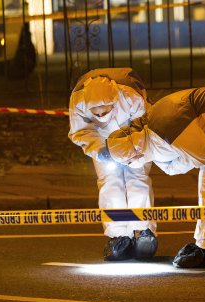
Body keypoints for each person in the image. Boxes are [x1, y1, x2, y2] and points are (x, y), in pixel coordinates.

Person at [106, 87, 205, 268]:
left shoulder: (163, 129)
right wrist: (174, 162)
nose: (135, 162)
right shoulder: (148, 130)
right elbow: (180, 156)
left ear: (133, 148)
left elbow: (203, 155)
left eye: (132, 158)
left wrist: (174, 164)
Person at [68, 68, 158, 261]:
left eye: (106, 111)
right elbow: (80, 132)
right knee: (110, 183)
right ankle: (118, 235)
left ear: (115, 101)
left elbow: (145, 122)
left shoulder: (130, 96)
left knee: (138, 180)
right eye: (97, 113)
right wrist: (102, 151)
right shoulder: (78, 102)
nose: (102, 116)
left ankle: (143, 232)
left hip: (133, 140)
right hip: (103, 143)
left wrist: (133, 148)